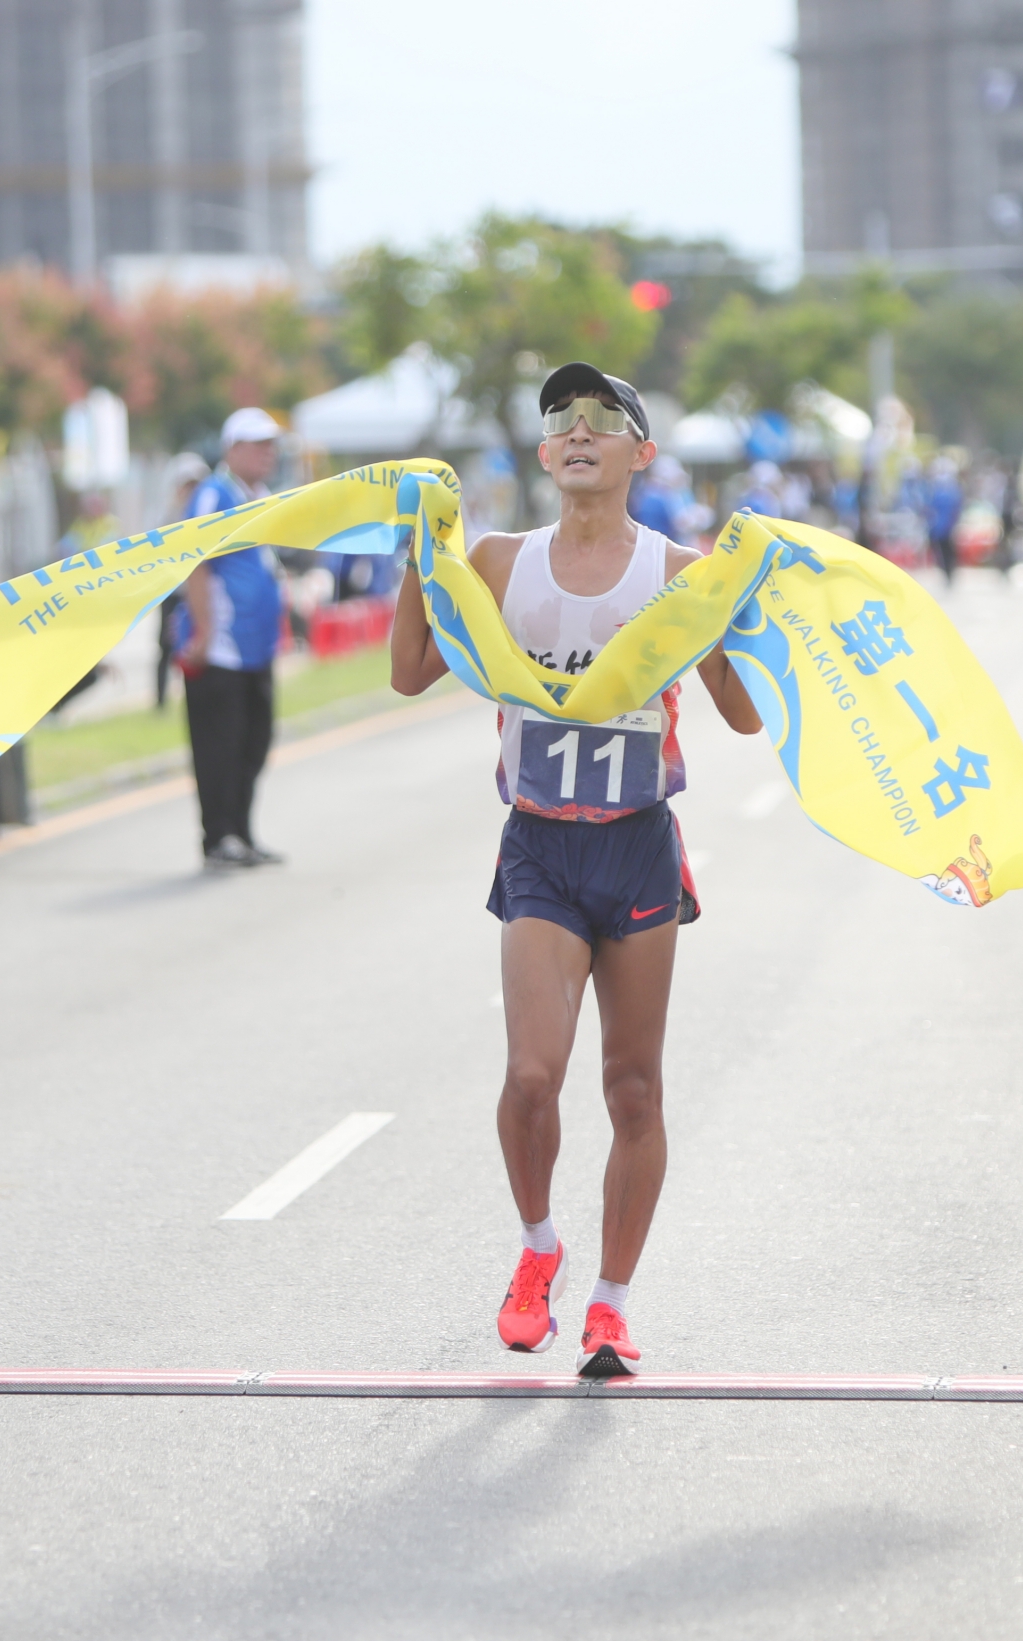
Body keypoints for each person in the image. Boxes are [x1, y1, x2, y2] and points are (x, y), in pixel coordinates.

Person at [388, 361, 763, 1378]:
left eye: (605, 418)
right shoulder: (502, 561)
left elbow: (740, 714)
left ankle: (608, 1305)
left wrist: (725, 619)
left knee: (632, 1091)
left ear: (642, 453)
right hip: (541, 844)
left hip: (636, 841)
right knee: (528, 1078)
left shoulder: (680, 571)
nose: (580, 430)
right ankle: (538, 1248)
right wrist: (416, 568)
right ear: (547, 454)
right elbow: (409, 671)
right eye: (562, 419)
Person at [176, 409, 284, 870]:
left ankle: (240, 832)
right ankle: (217, 837)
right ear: (232, 449)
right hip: (219, 651)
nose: (267, 453)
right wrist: (202, 631)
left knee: (254, 744)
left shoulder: (260, 496)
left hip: (255, 650)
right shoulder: (213, 495)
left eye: (270, 445)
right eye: (257, 445)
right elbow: (194, 562)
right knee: (219, 748)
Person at [154, 452, 211, 706]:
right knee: (166, 646)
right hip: (174, 593)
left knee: (199, 643)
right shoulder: (168, 518)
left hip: (200, 593)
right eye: (187, 484)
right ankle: (160, 700)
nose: (192, 489)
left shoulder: (209, 513)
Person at [925, 457, 963, 585]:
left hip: (944, 526)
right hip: (942, 526)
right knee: (944, 551)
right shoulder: (944, 490)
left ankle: (949, 572)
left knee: (946, 551)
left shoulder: (946, 490)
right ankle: (948, 572)